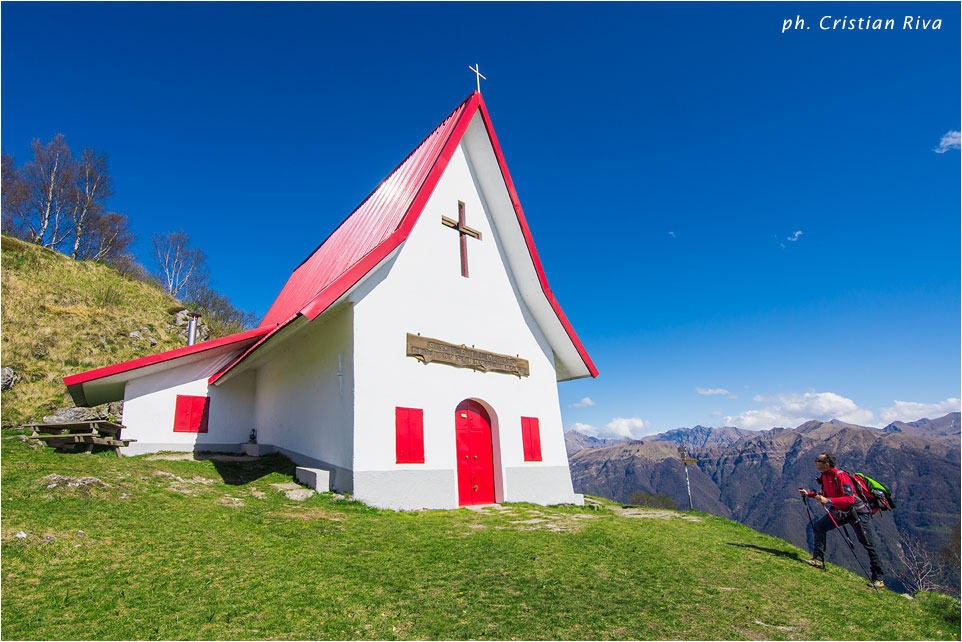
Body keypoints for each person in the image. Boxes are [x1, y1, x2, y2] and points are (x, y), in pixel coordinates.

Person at [798, 452, 885, 588]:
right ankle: (818, 560)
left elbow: (849, 498)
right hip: (841, 511)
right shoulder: (825, 476)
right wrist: (809, 495)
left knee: (867, 543)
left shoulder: (840, 476)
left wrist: (829, 500)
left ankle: (878, 579)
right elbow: (826, 494)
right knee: (819, 528)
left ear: (826, 464)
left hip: (857, 513)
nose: (815, 462)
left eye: (817, 460)